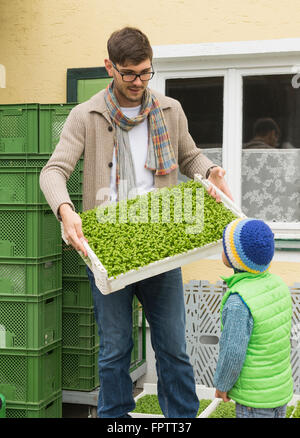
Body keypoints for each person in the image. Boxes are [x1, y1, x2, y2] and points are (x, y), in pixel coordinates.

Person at [40, 26, 233, 418]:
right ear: (109, 67)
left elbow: (190, 157)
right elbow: (53, 172)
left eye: (146, 72)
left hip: (161, 239)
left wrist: (211, 170)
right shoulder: (87, 114)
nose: (139, 82)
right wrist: (66, 210)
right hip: (108, 247)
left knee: (173, 348)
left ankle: (181, 418)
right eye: (129, 73)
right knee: (114, 350)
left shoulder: (169, 109)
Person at [213, 217, 293, 418]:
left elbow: (232, 352)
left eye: (225, 246)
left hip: (254, 402)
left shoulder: (239, 301)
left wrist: (223, 384)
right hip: (279, 392)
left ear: (234, 259)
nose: (221, 248)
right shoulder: (279, 285)